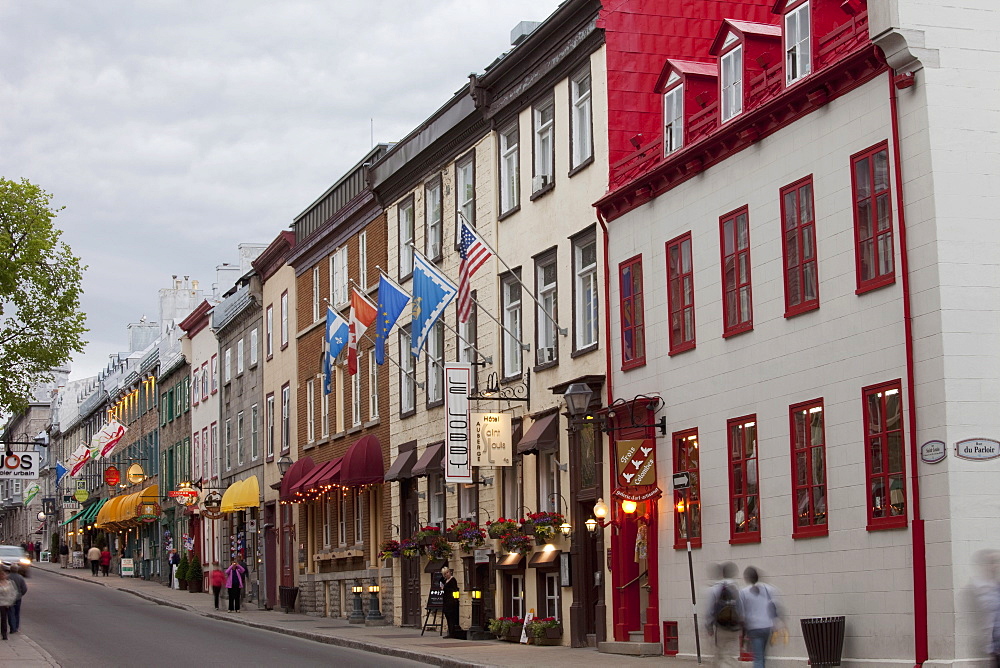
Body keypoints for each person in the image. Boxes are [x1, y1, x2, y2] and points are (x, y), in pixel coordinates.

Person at [739, 566, 782, 668]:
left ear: (747, 578)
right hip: (767, 626)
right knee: (762, 656)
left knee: (758, 658)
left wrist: (743, 631)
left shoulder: (743, 592)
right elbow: (774, 606)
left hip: (754, 628)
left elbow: (742, 613)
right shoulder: (768, 589)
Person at [706, 562, 743, 668]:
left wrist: (709, 626)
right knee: (732, 655)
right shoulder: (736, 588)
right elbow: (741, 608)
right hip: (734, 626)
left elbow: (710, 610)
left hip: (720, 626)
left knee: (720, 654)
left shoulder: (715, 588)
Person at [440, 566, 462, 639]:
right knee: (448, 617)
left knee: (451, 617)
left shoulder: (452, 580)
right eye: (445, 573)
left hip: (451, 601)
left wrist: (445, 588)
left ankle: (452, 633)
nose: (447, 574)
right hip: (446, 602)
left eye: (447, 572)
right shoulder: (445, 581)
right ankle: (450, 631)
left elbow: (453, 589)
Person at [6, 566, 27, 634]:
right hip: (18, 597)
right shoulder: (20, 577)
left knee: (10, 612)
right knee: (17, 613)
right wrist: (21, 594)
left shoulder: (7, 577)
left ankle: (12, 627)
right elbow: (24, 588)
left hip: (9, 598)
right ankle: (16, 627)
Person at [0, 568, 16, 640]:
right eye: (2, 575)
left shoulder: (10, 583)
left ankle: (4, 634)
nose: (4, 576)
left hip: (6, 604)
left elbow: (13, 592)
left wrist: (10, 601)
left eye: (4, 574)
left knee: (4, 619)